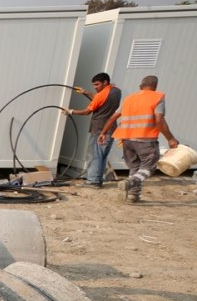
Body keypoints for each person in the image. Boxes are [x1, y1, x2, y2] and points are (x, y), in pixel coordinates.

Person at [98, 75, 179, 203]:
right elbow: (159, 121)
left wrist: (103, 133)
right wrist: (171, 138)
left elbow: (113, 117)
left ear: (140, 86)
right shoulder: (157, 97)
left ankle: (133, 196)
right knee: (149, 167)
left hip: (127, 140)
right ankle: (131, 182)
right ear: (155, 86)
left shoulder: (129, 99)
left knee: (135, 167)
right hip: (145, 139)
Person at [64, 72, 121, 187]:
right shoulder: (116, 91)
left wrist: (71, 111)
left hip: (99, 129)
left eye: (97, 84)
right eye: (93, 85)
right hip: (110, 128)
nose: (95, 87)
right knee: (102, 155)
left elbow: (87, 112)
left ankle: (93, 181)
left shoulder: (100, 95)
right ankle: (98, 179)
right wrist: (85, 92)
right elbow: (101, 99)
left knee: (95, 155)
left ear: (105, 82)